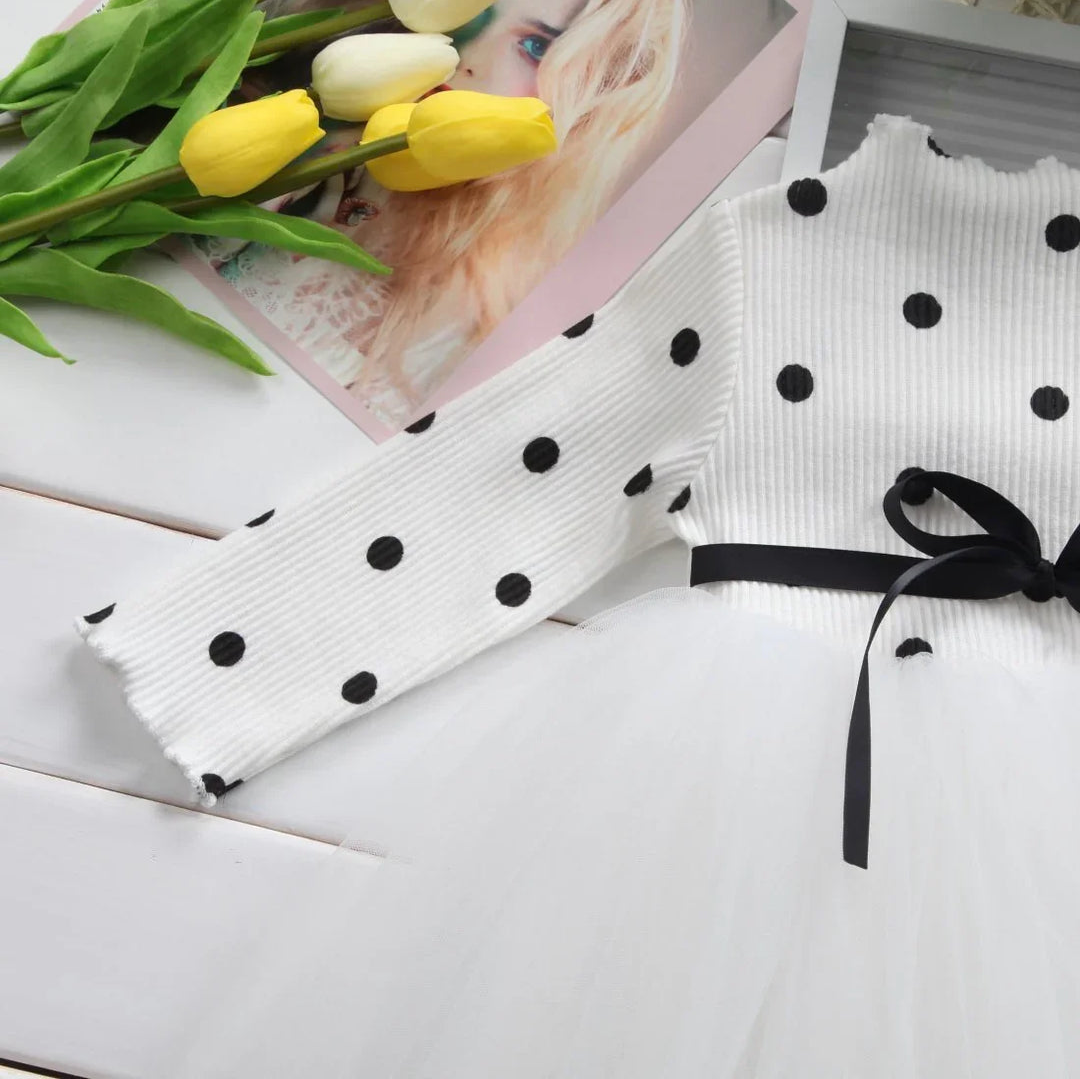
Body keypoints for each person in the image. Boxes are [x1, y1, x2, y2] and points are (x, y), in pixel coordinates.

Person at [82, 115, 1080, 1076]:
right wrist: (210, 653)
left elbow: (538, 461)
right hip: (759, 761)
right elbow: (538, 456)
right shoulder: (784, 242)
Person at [202, 0, 687, 425]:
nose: (467, 57)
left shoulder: (481, 318)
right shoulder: (279, 95)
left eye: (535, 48)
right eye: (471, 12)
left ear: (593, 100)